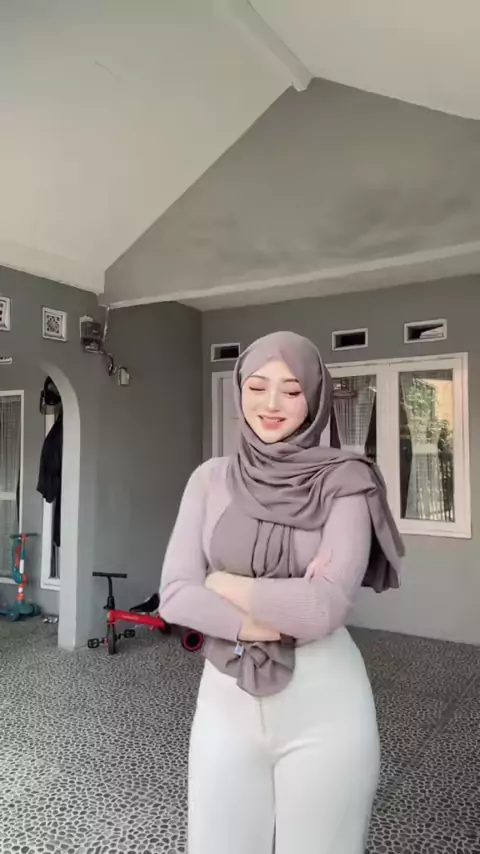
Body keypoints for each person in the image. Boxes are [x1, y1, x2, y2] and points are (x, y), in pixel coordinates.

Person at [160, 331, 404, 854]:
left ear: (315, 397)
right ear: (239, 391)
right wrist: (262, 619)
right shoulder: (210, 479)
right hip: (224, 701)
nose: (271, 404)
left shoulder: (345, 482)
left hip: (325, 706)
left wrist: (220, 583)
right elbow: (175, 595)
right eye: (257, 387)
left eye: (292, 391)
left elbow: (322, 609)